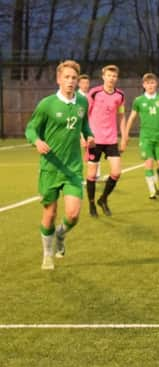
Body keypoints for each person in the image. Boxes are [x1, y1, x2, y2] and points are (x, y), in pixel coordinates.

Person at [25, 60, 94, 270]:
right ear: (58, 79)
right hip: (50, 168)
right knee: (50, 213)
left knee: (73, 215)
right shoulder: (47, 104)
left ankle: (61, 234)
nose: (70, 81)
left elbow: (85, 127)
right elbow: (30, 129)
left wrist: (89, 137)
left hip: (72, 168)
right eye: (66, 77)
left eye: (74, 78)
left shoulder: (82, 103)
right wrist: (37, 141)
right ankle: (47, 254)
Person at [122, 73, 159, 199]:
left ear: (156, 84)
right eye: (147, 83)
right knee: (148, 163)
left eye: (152, 83)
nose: (150, 85)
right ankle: (152, 191)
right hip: (145, 137)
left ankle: (156, 178)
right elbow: (131, 118)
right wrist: (125, 134)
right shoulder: (138, 100)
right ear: (143, 85)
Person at [86, 64, 127, 217]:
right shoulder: (94, 93)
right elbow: (85, 115)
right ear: (103, 76)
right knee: (91, 175)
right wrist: (85, 135)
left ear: (117, 78)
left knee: (116, 172)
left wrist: (124, 137)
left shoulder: (120, 96)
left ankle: (102, 199)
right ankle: (91, 204)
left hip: (111, 139)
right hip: (94, 139)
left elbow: (122, 116)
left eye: (114, 76)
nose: (111, 78)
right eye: (109, 75)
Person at [78, 74, 101, 180]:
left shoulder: (91, 96)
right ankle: (78, 176)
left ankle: (96, 174)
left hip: (91, 128)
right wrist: (81, 136)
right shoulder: (76, 97)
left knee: (94, 149)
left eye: (87, 83)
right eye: (82, 83)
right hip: (78, 128)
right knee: (78, 153)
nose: (85, 85)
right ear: (78, 84)